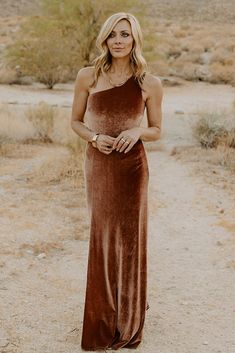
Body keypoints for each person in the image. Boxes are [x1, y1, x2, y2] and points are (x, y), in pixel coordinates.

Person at [70, 12, 163, 351]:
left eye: (125, 34)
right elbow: (76, 122)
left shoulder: (148, 83)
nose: (119, 40)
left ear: (135, 38)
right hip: (99, 164)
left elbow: (156, 129)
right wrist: (94, 138)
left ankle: (129, 316)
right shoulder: (87, 77)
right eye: (113, 35)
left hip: (133, 168)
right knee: (103, 237)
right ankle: (103, 317)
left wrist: (138, 130)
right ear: (105, 40)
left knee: (130, 238)